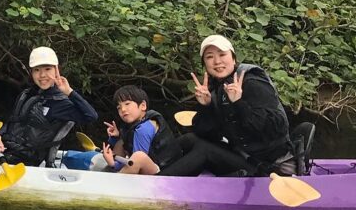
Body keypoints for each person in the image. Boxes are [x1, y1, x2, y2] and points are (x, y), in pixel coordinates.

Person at [0, 46, 98, 166]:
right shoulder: (28, 95)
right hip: (4, 150)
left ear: (57, 70)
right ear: (32, 73)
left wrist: (69, 91)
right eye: (37, 70)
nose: (42, 75)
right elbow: (11, 123)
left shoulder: (61, 103)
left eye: (47, 69)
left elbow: (91, 116)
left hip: (22, 160)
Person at [161, 34, 293, 177]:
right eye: (209, 57)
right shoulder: (217, 90)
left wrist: (238, 103)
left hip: (271, 165)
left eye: (222, 54)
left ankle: (157, 183)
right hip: (244, 156)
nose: (217, 61)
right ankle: (150, 168)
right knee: (190, 139)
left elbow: (276, 127)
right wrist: (206, 106)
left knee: (205, 151)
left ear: (233, 58)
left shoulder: (253, 82)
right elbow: (206, 134)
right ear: (204, 64)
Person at [100, 86, 178, 174]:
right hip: (154, 166)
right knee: (121, 142)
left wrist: (113, 164)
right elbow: (126, 147)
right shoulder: (134, 125)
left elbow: (135, 162)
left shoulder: (144, 129)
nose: (123, 109)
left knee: (138, 157)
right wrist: (116, 137)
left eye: (127, 104)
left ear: (143, 105)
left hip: (163, 172)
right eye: (119, 107)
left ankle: (113, 184)